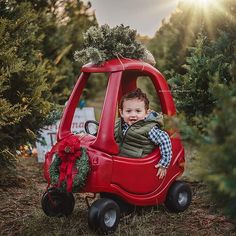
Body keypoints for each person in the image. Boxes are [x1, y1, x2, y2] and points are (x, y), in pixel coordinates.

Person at [115, 88, 172, 179]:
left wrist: (164, 163)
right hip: (121, 163)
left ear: (146, 113)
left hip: (139, 167)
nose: (133, 115)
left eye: (138, 111)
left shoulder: (149, 128)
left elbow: (165, 139)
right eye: (128, 111)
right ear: (121, 112)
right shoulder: (119, 124)